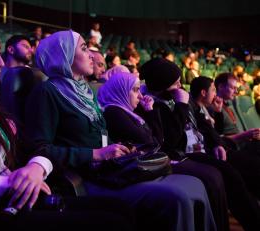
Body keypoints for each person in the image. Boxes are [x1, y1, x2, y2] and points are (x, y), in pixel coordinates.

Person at [0, 18, 137, 231]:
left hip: (18, 200)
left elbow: (35, 148)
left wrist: (36, 167)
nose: (1, 62)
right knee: (113, 224)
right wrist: (9, 183)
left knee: (124, 210)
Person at [25, 30, 217, 231]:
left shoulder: (83, 90)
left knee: (196, 186)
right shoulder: (47, 92)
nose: (91, 54)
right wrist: (97, 154)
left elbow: (101, 135)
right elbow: (39, 149)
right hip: (88, 179)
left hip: (110, 168)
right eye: (83, 48)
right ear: (63, 55)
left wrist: (122, 147)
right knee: (178, 197)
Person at [98, 71, 228, 231]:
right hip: (141, 168)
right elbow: (155, 142)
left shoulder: (129, 111)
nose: (139, 96)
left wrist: (150, 111)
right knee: (205, 180)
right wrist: (157, 112)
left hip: (155, 161)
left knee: (208, 179)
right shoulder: (115, 112)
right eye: (135, 90)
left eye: (139, 90)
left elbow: (156, 140)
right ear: (122, 90)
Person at [140, 58, 260, 231]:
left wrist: (217, 143)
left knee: (249, 170)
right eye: (176, 82)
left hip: (206, 147)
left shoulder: (178, 96)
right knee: (231, 176)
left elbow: (202, 123)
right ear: (163, 84)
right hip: (185, 154)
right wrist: (181, 104)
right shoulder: (153, 105)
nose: (181, 84)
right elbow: (171, 141)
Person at [191, 76, 260, 198]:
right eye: (233, 87)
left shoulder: (218, 106)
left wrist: (218, 113)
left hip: (229, 146)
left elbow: (216, 134)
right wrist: (245, 135)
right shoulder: (204, 108)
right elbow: (216, 136)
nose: (236, 91)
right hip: (228, 148)